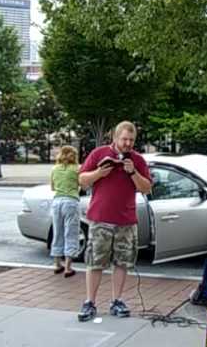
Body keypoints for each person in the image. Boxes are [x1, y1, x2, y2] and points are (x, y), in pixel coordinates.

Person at [77, 121, 152, 322]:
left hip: (126, 220)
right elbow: (82, 180)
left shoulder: (137, 160)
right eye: (124, 139)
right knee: (95, 262)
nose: (127, 143)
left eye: (131, 140)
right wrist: (99, 173)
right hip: (100, 218)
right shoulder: (99, 154)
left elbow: (146, 188)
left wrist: (133, 172)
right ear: (115, 138)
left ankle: (116, 300)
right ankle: (89, 302)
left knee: (122, 262)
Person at [50, 145, 80, 278]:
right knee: (71, 233)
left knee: (58, 232)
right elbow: (82, 184)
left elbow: (52, 187)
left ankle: (57, 264)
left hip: (57, 202)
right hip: (71, 201)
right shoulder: (76, 169)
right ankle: (68, 267)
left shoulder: (54, 169)